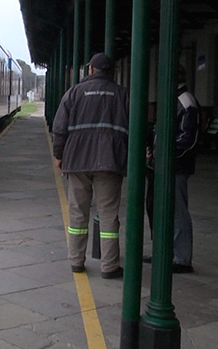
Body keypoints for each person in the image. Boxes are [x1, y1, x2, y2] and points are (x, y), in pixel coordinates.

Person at [53, 52, 130, 279]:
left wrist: (59, 155)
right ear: (111, 72)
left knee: (77, 213)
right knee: (108, 215)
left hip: (77, 160)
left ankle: (76, 261)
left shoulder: (74, 93)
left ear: (90, 70)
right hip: (110, 160)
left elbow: (59, 128)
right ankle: (109, 266)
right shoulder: (122, 94)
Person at [144, 64, 199, 273]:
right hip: (162, 165)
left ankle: (182, 257)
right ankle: (164, 252)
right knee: (159, 209)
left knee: (177, 212)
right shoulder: (174, 100)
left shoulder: (185, 102)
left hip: (176, 167)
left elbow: (188, 138)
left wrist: (165, 153)